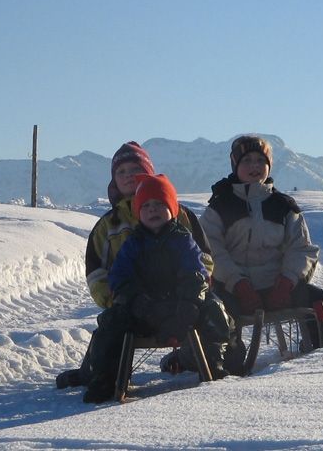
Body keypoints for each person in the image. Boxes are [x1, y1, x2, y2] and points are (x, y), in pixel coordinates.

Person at [56, 141, 215, 389]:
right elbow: (97, 274)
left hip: (181, 301)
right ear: (113, 180)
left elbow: (203, 259)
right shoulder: (107, 226)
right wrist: (123, 300)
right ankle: (99, 376)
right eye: (121, 172)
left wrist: (191, 298)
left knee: (218, 313)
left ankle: (218, 364)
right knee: (110, 327)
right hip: (133, 303)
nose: (128, 176)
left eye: (135, 169)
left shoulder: (180, 217)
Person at [83, 173, 232, 403]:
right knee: (110, 323)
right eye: (147, 206)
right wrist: (136, 301)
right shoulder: (132, 244)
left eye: (160, 204)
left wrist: (189, 303)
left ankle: (217, 361)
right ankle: (105, 377)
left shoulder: (183, 240)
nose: (153, 210)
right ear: (138, 212)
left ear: (172, 210)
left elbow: (196, 273)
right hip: (143, 309)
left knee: (215, 309)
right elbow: (120, 277)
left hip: (181, 307)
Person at [200, 135, 323, 348]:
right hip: (233, 289)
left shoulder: (284, 206)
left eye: (260, 161)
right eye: (247, 160)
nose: (254, 166)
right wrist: (238, 284)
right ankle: (225, 364)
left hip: (276, 287)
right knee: (214, 315)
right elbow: (211, 251)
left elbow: (301, 249)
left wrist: (286, 283)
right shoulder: (220, 207)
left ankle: (318, 355)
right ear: (235, 164)